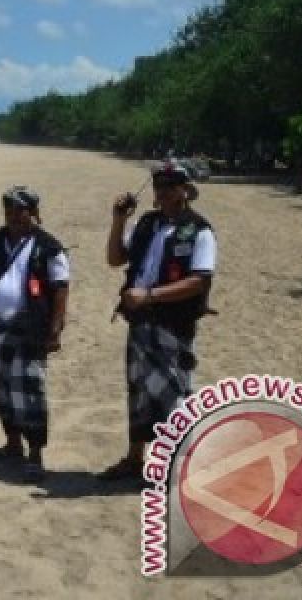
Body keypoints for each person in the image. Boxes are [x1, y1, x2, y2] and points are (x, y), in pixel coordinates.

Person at [99, 162, 217, 482]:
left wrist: (149, 295)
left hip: (172, 322)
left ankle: (181, 469)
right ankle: (136, 459)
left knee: (173, 393)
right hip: (139, 322)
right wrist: (118, 220)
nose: (162, 193)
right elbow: (114, 258)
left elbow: (198, 281)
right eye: (159, 187)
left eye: (169, 187)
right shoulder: (146, 224)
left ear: (183, 190)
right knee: (138, 390)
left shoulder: (199, 230)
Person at [0, 186, 69, 479]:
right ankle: (11, 445)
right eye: (8, 211)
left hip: (29, 329)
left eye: (20, 211)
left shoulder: (49, 247)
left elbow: (60, 290)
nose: (13, 216)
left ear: (33, 212)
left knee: (30, 391)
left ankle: (35, 455)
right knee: (3, 389)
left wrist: (55, 331)